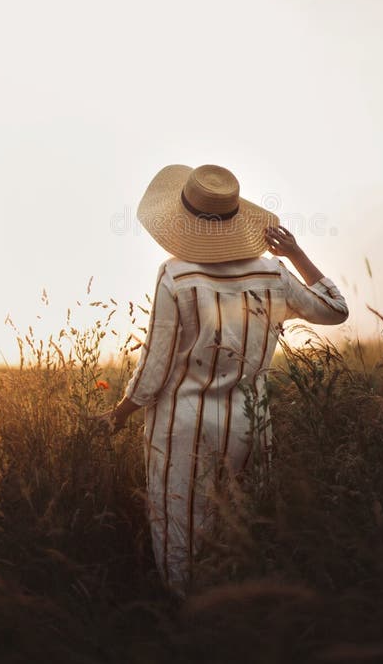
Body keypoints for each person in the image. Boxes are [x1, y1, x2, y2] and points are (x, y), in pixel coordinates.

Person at [99, 164, 349, 598]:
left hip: (181, 428)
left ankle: (188, 624)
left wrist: (120, 412)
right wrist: (296, 254)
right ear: (237, 219)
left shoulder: (176, 276)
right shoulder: (274, 274)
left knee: (181, 528)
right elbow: (336, 309)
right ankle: (238, 618)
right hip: (250, 426)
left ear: (184, 221)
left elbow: (155, 368)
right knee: (243, 524)